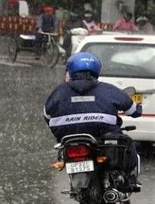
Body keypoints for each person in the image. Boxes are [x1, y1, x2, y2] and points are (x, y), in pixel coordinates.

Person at [43, 52, 143, 190]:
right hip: (101, 133)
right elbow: (133, 111)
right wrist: (138, 109)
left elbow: (47, 115)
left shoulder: (59, 91)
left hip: (67, 136)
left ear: (70, 71)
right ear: (96, 70)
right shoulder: (107, 89)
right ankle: (130, 180)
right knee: (126, 145)